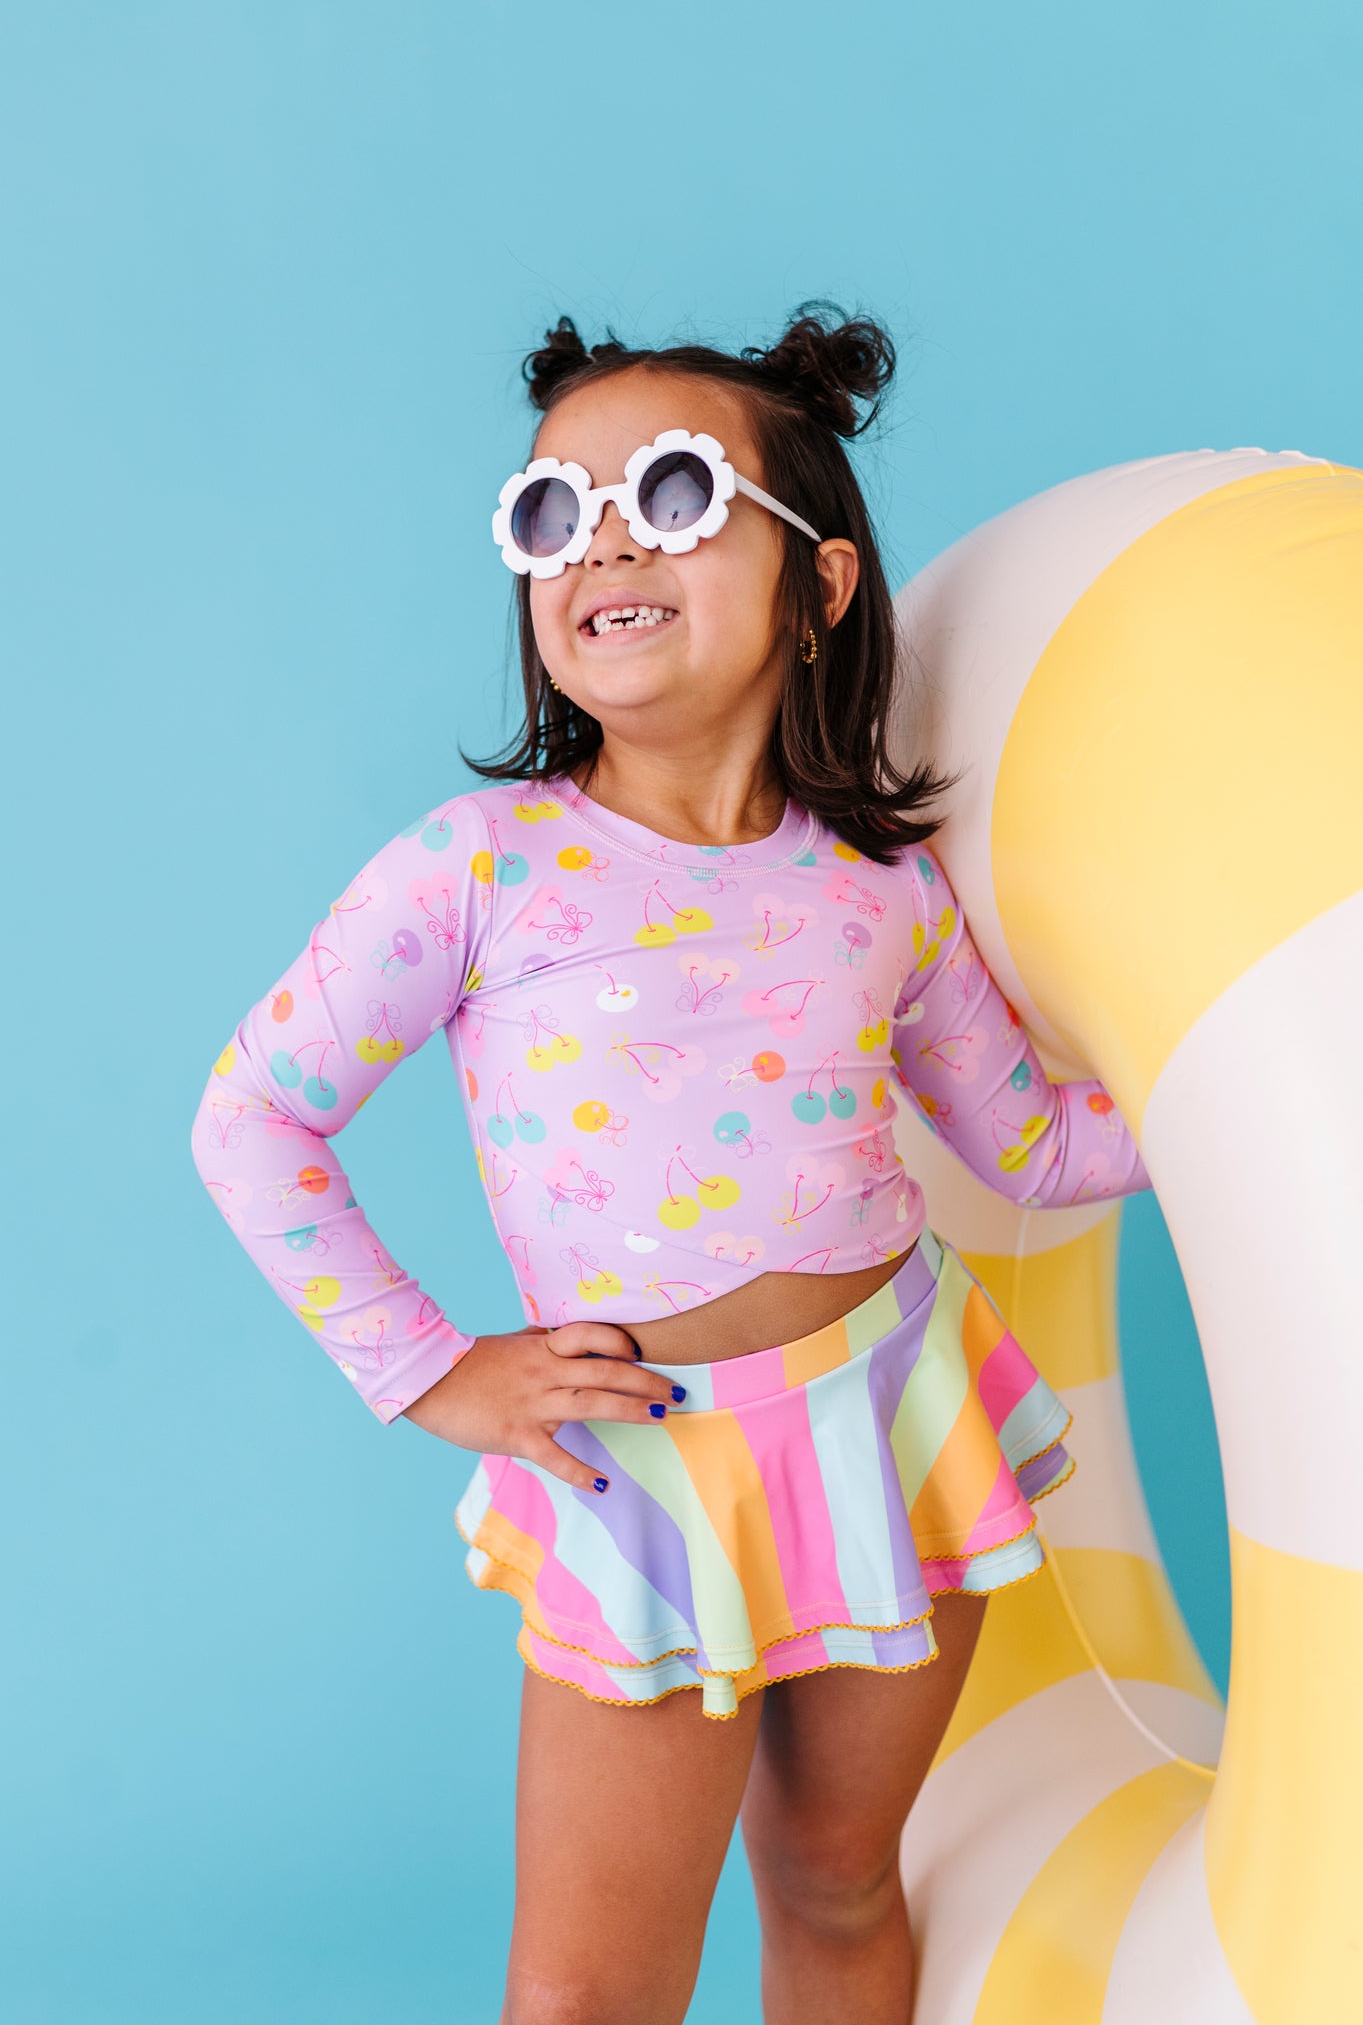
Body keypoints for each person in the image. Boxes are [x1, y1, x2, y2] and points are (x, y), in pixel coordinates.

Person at [190, 304, 1151, 2025]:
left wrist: (1246, 1079)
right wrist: (433, 1370)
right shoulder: (478, 869)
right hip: (640, 1469)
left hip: (889, 1423)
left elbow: (1033, 1141)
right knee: (589, 1994)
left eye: (678, 492)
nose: (605, 541)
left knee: (841, 1883)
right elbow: (252, 1118)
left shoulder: (881, 888)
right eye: (552, 512)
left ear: (820, 586)